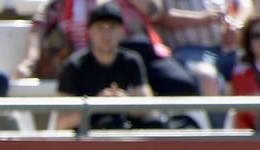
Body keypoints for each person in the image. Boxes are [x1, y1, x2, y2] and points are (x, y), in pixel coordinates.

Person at [20, 0, 199, 96]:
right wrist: (31, 59)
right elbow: (39, 25)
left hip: (140, 52)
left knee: (180, 85)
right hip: (95, 59)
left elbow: (155, 12)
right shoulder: (63, 3)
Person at [53, 2, 153, 130]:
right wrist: (96, 104)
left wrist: (123, 102)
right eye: (100, 27)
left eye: (112, 27)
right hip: (86, 142)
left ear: (122, 31)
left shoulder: (131, 61)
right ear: (89, 31)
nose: (106, 34)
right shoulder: (74, 66)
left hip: (126, 140)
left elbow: (149, 110)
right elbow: (62, 122)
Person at [157, 0, 249, 125]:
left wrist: (236, 25)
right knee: (207, 76)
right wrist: (202, 18)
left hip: (227, 48)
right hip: (187, 50)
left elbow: (245, 4)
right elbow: (160, 16)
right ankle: (218, 137)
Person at [230, 13, 260, 128]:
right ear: (249, 41)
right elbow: (248, 111)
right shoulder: (241, 73)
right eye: (257, 36)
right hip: (252, 137)